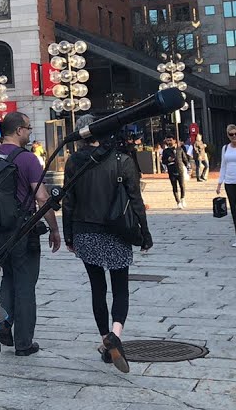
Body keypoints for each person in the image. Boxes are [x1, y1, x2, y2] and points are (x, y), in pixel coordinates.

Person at [62, 118, 152, 374]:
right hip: (117, 230)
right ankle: (115, 334)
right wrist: (145, 233)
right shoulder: (122, 160)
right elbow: (136, 200)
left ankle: (104, 339)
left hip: (85, 230)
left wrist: (69, 235)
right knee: (120, 287)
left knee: (97, 288)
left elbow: (68, 201)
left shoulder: (74, 162)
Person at [0, 112, 60, 357]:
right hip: (23, 230)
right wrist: (54, 229)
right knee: (25, 284)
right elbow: (42, 197)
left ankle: (4, 324)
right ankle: (24, 343)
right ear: (18, 131)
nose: (29, 132)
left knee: (8, 278)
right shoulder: (27, 159)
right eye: (28, 128)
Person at [161, 138, 186, 209]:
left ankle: (182, 198)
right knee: (174, 186)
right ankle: (178, 202)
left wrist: (188, 166)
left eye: (170, 140)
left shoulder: (179, 149)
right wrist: (168, 160)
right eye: (168, 140)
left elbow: (184, 158)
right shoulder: (165, 151)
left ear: (174, 141)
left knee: (182, 185)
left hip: (180, 169)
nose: (169, 142)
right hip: (171, 171)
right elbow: (163, 161)